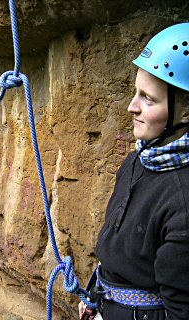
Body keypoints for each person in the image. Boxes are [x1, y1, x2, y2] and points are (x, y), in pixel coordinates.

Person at [79, 22, 189, 320]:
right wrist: (97, 293)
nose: (131, 107)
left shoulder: (182, 200)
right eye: (135, 92)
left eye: (148, 98)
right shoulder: (139, 159)